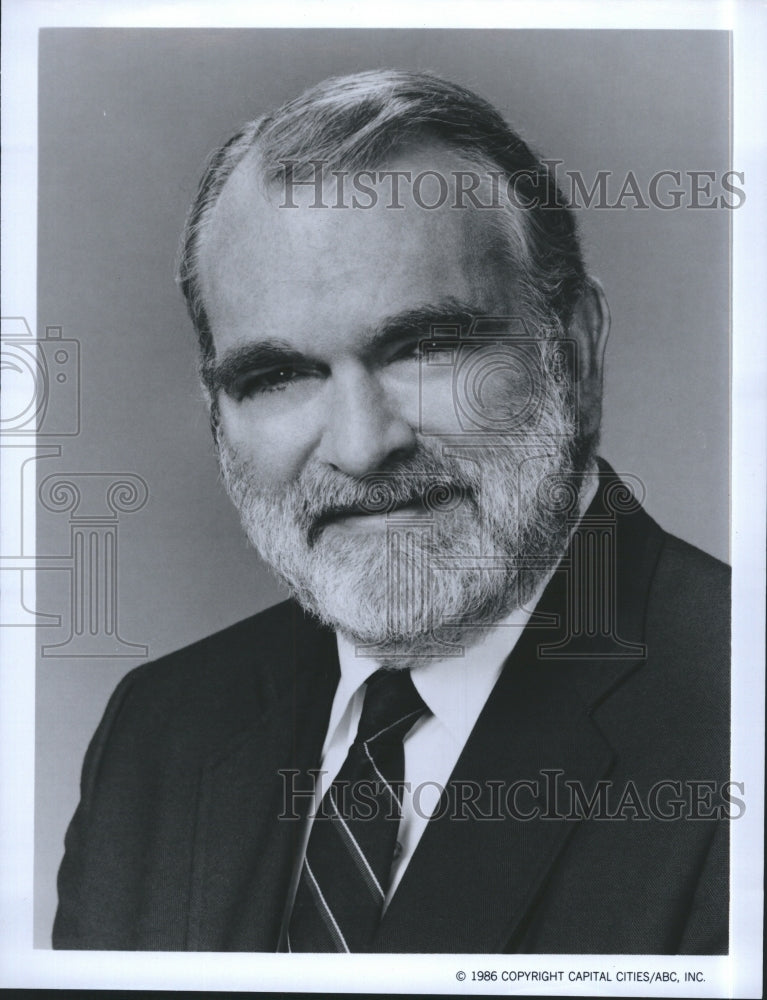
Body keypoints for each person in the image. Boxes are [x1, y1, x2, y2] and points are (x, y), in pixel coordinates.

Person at [52, 70, 730, 954]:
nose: (363, 447)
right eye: (278, 375)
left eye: (427, 346)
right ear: (219, 409)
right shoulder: (163, 728)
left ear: (574, 349)